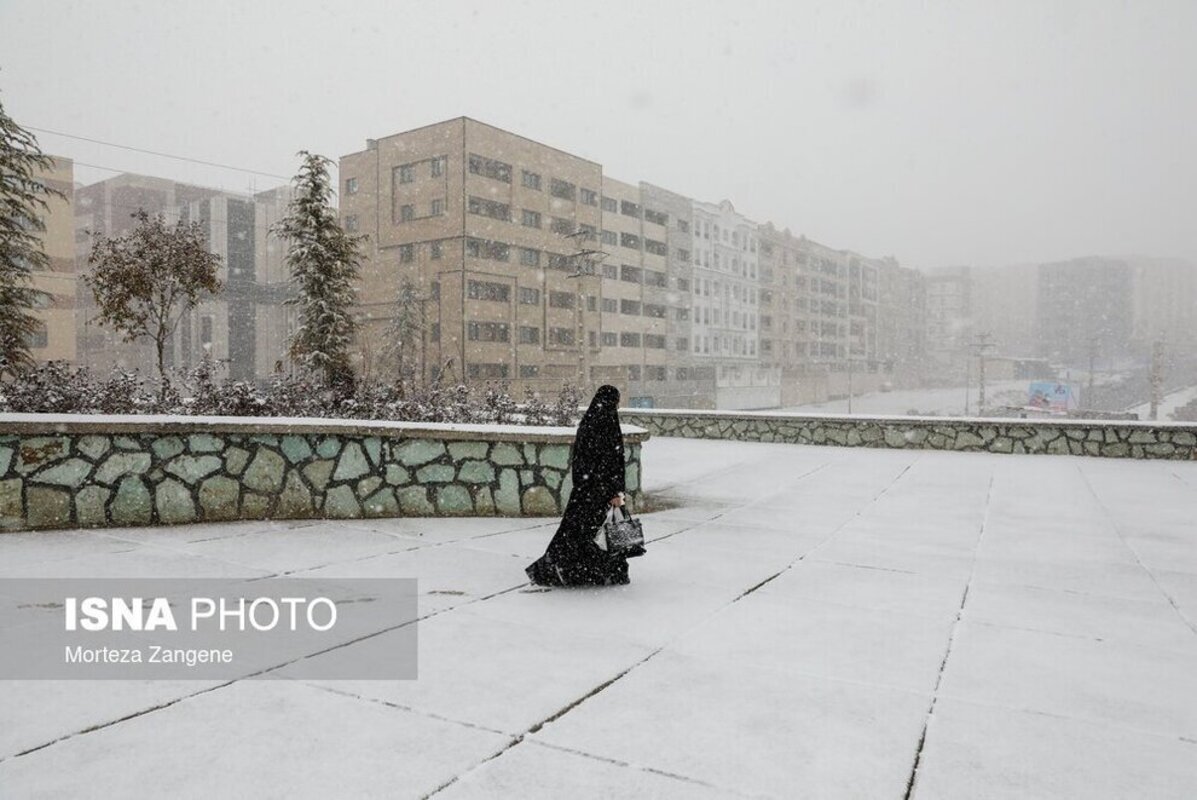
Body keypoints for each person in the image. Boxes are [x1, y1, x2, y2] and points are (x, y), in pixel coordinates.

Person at [526, 385, 631, 587]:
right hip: (602, 492)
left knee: (575, 531)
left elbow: (584, 460)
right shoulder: (607, 422)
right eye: (617, 402)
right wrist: (616, 492)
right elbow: (611, 462)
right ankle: (594, 571)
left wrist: (586, 485)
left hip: (585, 491)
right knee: (595, 533)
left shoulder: (589, 422)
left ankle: (566, 569)